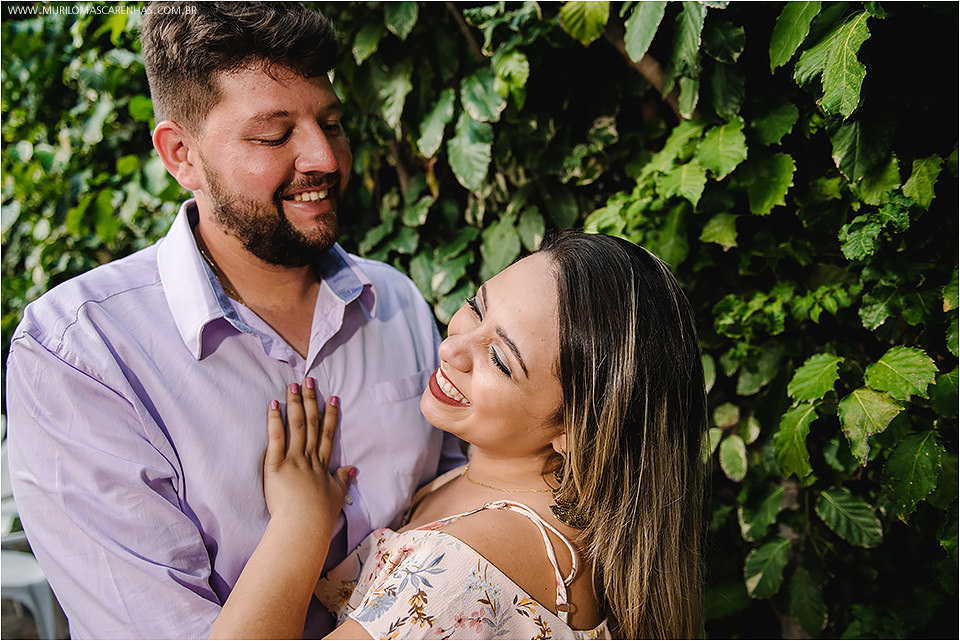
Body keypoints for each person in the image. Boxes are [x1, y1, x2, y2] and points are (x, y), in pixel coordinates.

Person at [4, 3, 464, 638]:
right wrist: (302, 529)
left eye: (331, 123)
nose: (323, 159)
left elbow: (469, 505)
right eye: (273, 136)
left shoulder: (397, 303)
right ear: (181, 155)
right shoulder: (82, 356)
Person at [209, 231, 709, 639]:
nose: (454, 349)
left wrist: (301, 520)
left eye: (499, 359)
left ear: (577, 432)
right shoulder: (560, 509)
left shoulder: (460, 571)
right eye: (477, 306)